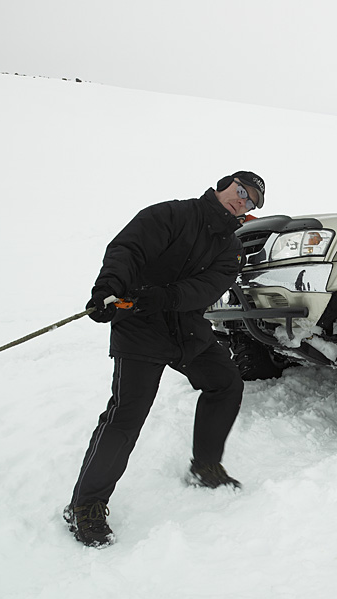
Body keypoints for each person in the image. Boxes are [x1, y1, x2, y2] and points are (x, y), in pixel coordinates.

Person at [64, 171, 265, 548]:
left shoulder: (230, 248)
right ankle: (85, 506)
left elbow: (208, 287)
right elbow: (129, 249)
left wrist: (166, 297)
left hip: (186, 328)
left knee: (225, 383)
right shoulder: (171, 215)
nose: (243, 201)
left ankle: (206, 465)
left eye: (251, 200)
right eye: (241, 191)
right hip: (139, 326)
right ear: (224, 185)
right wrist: (108, 288)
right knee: (127, 415)